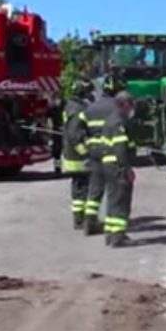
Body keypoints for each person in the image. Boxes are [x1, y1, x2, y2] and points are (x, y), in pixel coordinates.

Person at [80, 75, 125, 236]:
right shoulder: (118, 107)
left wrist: (86, 146)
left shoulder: (90, 108)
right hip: (110, 151)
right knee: (115, 189)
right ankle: (114, 226)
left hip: (94, 151)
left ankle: (89, 221)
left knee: (95, 188)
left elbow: (79, 127)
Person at [100, 91, 138, 247]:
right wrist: (127, 168)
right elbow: (121, 148)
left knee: (112, 200)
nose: (131, 109)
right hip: (118, 167)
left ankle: (110, 233)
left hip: (108, 166)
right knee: (122, 201)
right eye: (130, 105)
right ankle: (118, 236)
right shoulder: (119, 122)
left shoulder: (109, 120)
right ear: (124, 104)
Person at [63, 79, 95, 230]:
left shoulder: (71, 105)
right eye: (89, 91)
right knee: (84, 189)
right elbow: (75, 135)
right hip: (79, 157)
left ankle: (79, 219)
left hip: (73, 155)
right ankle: (83, 221)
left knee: (79, 188)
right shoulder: (78, 109)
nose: (91, 94)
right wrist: (87, 154)